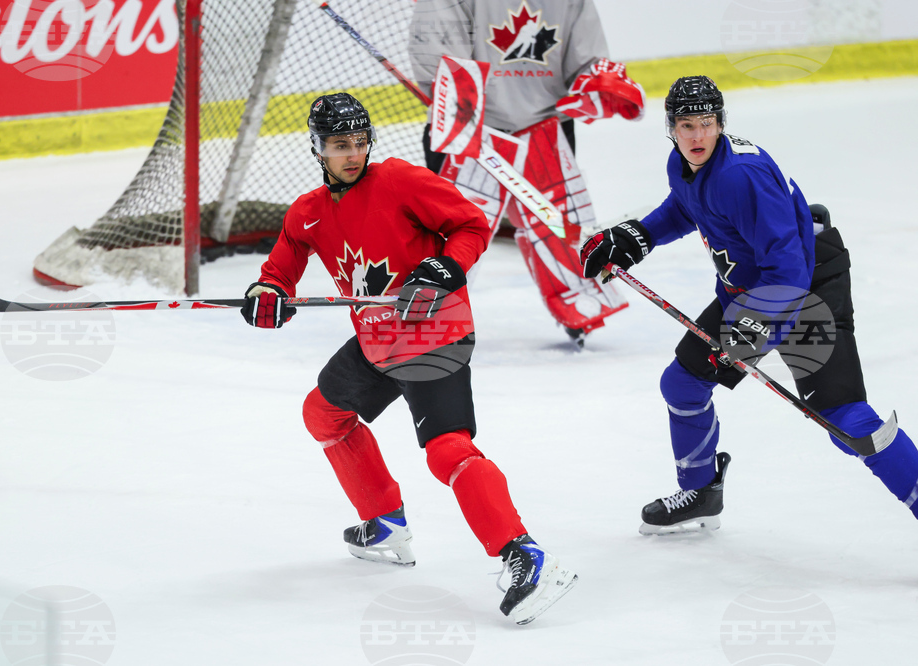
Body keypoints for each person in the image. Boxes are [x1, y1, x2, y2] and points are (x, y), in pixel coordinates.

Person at [242, 92, 577, 623]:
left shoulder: (398, 180)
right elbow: (282, 266)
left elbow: (471, 224)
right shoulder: (308, 213)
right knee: (322, 412)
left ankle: (526, 555)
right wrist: (268, 292)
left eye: (359, 142)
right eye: (338, 145)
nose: (352, 154)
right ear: (317, 149)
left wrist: (448, 266)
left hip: (433, 331)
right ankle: (385, 522)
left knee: (447, 450)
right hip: (378, 339)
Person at [580, 75, 918, 535]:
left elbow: (790, 269)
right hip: (750, 293)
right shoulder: (684, 166)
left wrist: (756, 326)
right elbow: (687, 207)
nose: (696, 135)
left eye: (705, 123)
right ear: (671, 129)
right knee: (682, 384)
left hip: (806, 291)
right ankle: (702, 492)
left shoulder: (742, 176)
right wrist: (638, 236)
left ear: (720, 123)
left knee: (846, 419)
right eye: (685, 125)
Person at [409, 0, 646, 345]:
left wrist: (599, 84)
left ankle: (577, 304)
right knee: (453, 231)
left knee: (559, 225)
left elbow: (587, 60)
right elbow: (439, 52)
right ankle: (424, 313)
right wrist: (455, 102)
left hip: (546, 128)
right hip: (470, 126)